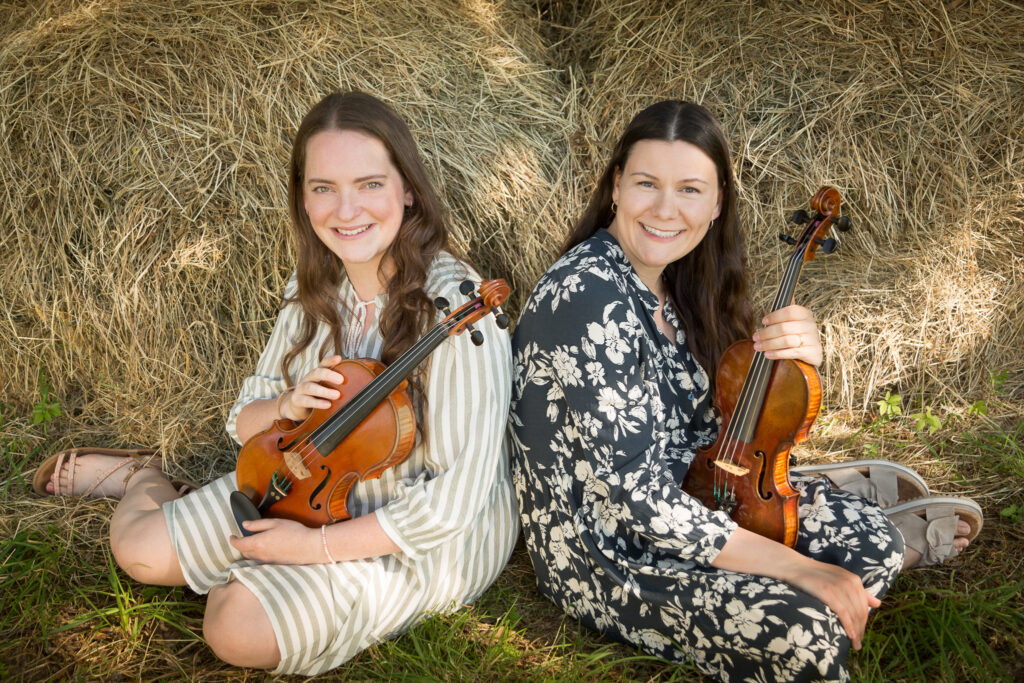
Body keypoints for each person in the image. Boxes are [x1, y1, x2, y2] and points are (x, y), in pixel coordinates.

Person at [34, 91, 517, 675]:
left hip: (421, 538)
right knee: (137, 550)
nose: (346, 209)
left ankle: (256, 576)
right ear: (303, 198)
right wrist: (285, 403)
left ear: (407, 189)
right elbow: (243, 421)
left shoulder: (457, 309)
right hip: (307, 487)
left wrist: (310, 550)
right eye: (323, 188)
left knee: (235, 630)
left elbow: (454, 503)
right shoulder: (315, 286)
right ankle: (145, 474)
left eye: (369, 184)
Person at [508, 100, 981, 682]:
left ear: (716, 203)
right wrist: (799, 569)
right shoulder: (585, 295)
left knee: (874, 547)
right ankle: (819, 562)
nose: (664, 209)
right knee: (805, 629)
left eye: (689, 189)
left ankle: (838, 537)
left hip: (698, 495)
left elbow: (724, 437)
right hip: (610, 550)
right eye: (646, 184)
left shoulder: (682, 285)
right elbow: (639, 502)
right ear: (615, 187)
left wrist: (801, 359)